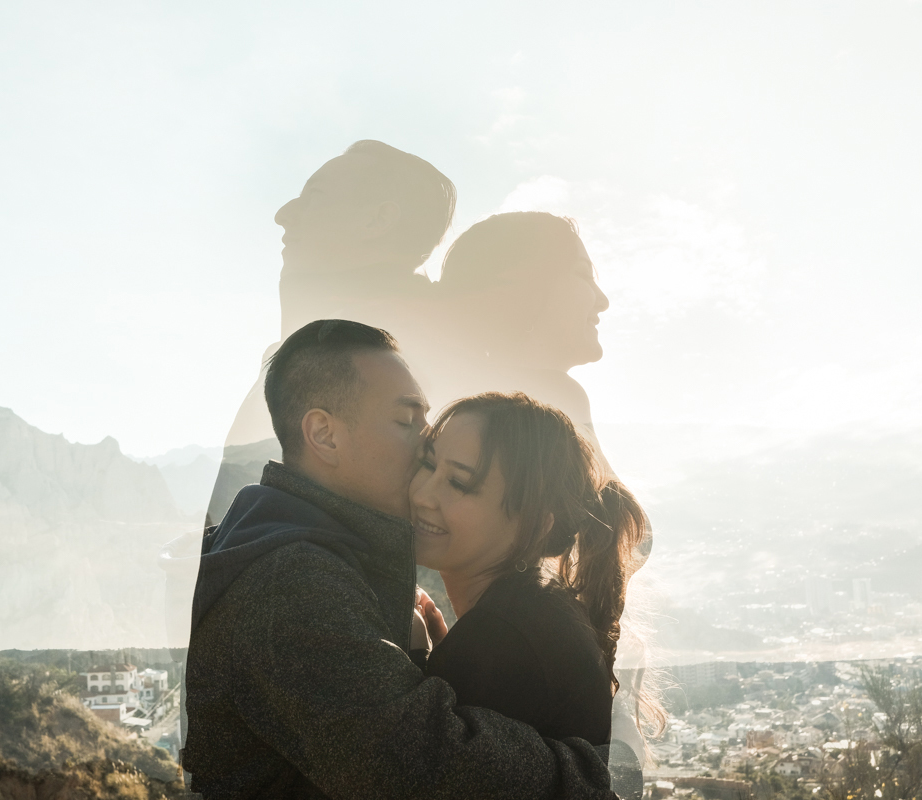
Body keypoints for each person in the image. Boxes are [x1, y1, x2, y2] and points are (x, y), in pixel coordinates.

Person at [182, 319, 618, 799]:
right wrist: (592, 776)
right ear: (324, 435)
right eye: (406, 420)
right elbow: (418, 766)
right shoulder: (291, 581)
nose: (425, 440)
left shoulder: (294, 550)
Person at [408, 392, 664, 772]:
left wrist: (417, 665)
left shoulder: (501, 640)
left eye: (459, 483)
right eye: (427, 465)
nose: (422, 494)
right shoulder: (534, 614)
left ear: (533, 525)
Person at [214, 140, 457, 498]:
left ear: (377, 220)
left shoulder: (398, 350)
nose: (284, 213)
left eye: (314, 197)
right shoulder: (352, 333)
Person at [430, 211, 610, 464]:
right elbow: (608, 503)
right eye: (582, 274)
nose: (603, 301)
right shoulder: (552, 398)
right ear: (518, 287)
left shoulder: (450, 396)